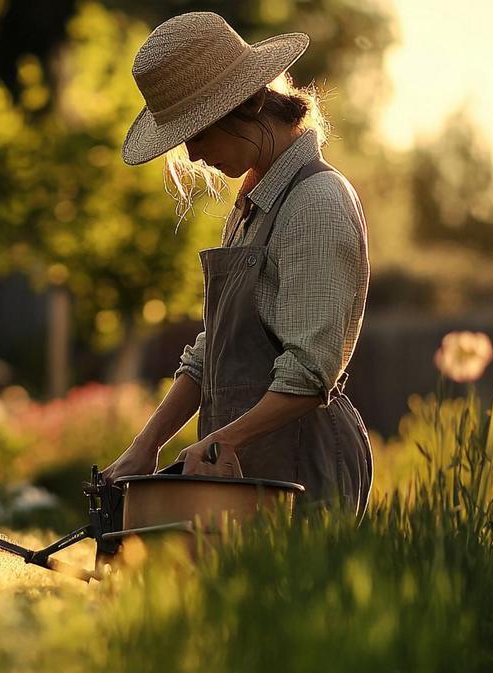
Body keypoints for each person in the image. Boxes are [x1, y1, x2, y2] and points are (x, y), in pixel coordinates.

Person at [101, 12, 373, 516]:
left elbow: (312, 372)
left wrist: (219, 441)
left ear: (249, 103)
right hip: (245, 470)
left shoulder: (316, 202)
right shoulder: (253, 205)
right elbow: (215, 347)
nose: (194, 154)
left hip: (301, 473)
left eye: (197, 132)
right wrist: (149, 442)